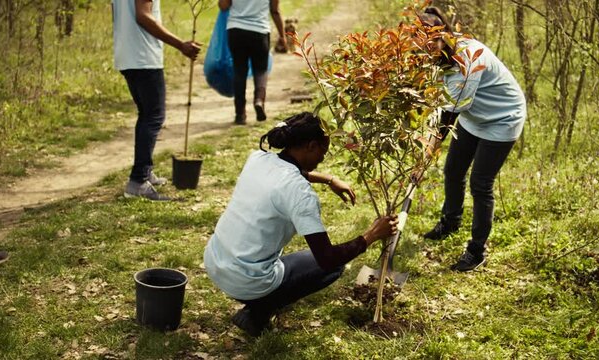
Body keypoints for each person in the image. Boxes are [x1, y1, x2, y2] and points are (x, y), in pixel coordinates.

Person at [204, 112, 398, 336]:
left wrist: (329, 179)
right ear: (311, 146)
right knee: (334, 267)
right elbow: (327, 258)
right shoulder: (300, 193)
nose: (323, 159)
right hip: (245, 280)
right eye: (323, 152)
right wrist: (372, 234)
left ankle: (257, 303)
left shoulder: (258, 158)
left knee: (306, 260)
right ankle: (257, 311)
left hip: (215, 261)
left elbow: (290, 170)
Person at [417, 7, 526, 272]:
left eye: (431, 39)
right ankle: (450, 221)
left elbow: (449, 113)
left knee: (481, 183)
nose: (426, 45)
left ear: (444, 34)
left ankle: (477, 250)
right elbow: (442, 103)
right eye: (421, 40)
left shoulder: (469, 57)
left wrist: (429, 149)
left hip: (502, 118)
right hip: (473, 116)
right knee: (453, 169)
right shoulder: (438, 56)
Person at [112, 0, 201, 200]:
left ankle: (145, 171)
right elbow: (143, 16)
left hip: (127, 54)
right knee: (153, 116)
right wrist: (180, 45)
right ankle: (138, 181)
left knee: (146, 115)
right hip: (143, 57)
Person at [218, 0, 287, 125]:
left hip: (236, 30)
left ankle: (240, 114)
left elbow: (223, 6)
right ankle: (259, 100)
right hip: (259, 31)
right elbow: (275, 11)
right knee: (261, 70)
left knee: (239, 71)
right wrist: (282, 35)